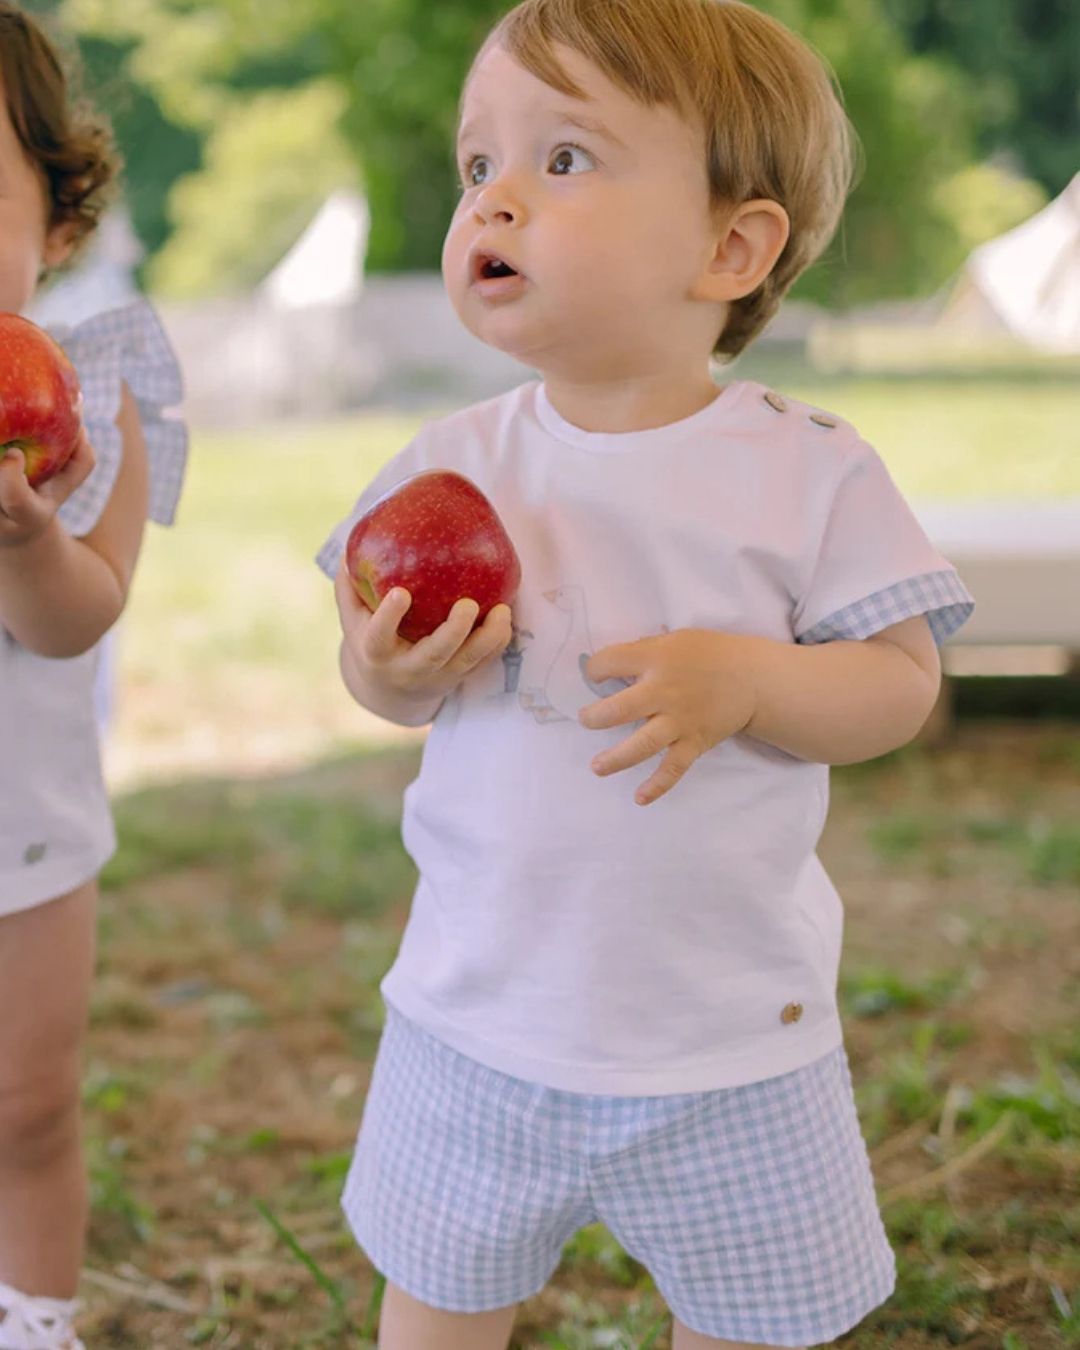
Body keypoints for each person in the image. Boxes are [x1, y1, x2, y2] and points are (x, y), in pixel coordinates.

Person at [319, 1, 975, 1346]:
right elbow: (379, 686)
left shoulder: (808, 466)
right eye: (477, 163)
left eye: (562, 158)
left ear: (732, 248)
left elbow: (902, 683)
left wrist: (753, 683)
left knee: (751, 1316)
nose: (494, 195)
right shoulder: (451, 464)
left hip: (727, 1034)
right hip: (475, 1010)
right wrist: (386, 668)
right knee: (437, 1298)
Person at [0, 7, 186, 1348]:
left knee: (27, 1103)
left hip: (24, 829)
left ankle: (33, 1316)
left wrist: (30, 542)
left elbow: (77, 621)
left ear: (59, 223)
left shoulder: (92, 397)